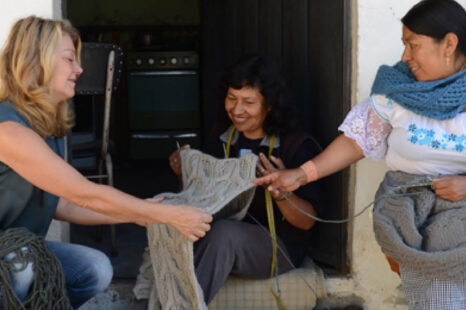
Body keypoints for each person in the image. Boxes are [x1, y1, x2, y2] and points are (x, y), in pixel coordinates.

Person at [254, 0, 466, 308]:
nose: (405, 57)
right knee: (439, 282)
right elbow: (357, 141)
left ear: (449, 44)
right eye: (404, 45)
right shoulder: (396, 90)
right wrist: (301, 175)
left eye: (413, 45)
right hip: (407, 209)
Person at [0, 16, 212, 308]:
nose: (80, 69)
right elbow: (82, 192)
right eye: (69, 60)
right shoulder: (7, 130)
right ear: (36, 62)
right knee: (23, 269)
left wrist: (141, 212)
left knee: (94, 269)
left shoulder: (50, 128)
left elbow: (63, 203)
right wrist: (161, 214)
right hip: (11, 257)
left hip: (19, 252)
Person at [168, 54, 323, 304]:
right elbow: (198, 199)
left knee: (224, 233)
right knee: (168, 228)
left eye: (248, 102)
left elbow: (307, 223)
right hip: (221, 238)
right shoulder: (222, 136)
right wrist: (184, 172)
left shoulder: (295, 146)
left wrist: (281, 193)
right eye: (232, 99)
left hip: (276, 247)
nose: (237, 110)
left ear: (269, 104)